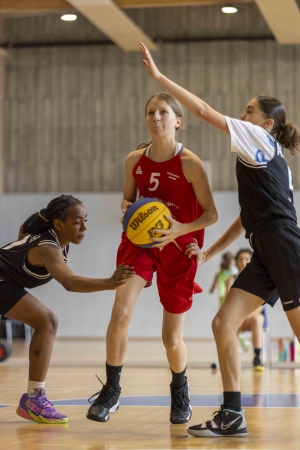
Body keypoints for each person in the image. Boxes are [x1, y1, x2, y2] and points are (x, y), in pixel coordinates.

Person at [140, 42, 300, 437]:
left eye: (250, 110)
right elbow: (248, 216)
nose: (242, 114)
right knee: (223, 323)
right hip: (264, 245)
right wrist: (211, 250)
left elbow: (201, 111)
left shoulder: (259, 139)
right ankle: (233, 413)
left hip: (283, 244)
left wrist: (160, 80)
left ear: (266, 124)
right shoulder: (261, 155)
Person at [86, 92, 218, 425]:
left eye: (162, 112)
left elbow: (212, 214)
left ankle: (179, 388)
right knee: (120, 310)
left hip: (178, 249)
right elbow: (127, 200)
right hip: (140, 244)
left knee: (171, 338)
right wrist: (126, 214)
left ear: (178, 121)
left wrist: (182, 230)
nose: (155, 117)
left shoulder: (190, 164)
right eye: (150, 113)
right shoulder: (134, 160)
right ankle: (112, 391)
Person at [0, 194, 134, 424]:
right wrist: (109, 283)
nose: (84, 227)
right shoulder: (47, 247)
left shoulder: (51, 240)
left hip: (6, 285)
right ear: (58, 224)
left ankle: (33, 398)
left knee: (47, 321)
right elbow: (69, 283)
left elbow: (24, 231)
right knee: (47, 322)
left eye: (85, 220)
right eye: (77, 221)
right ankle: (34, 398)